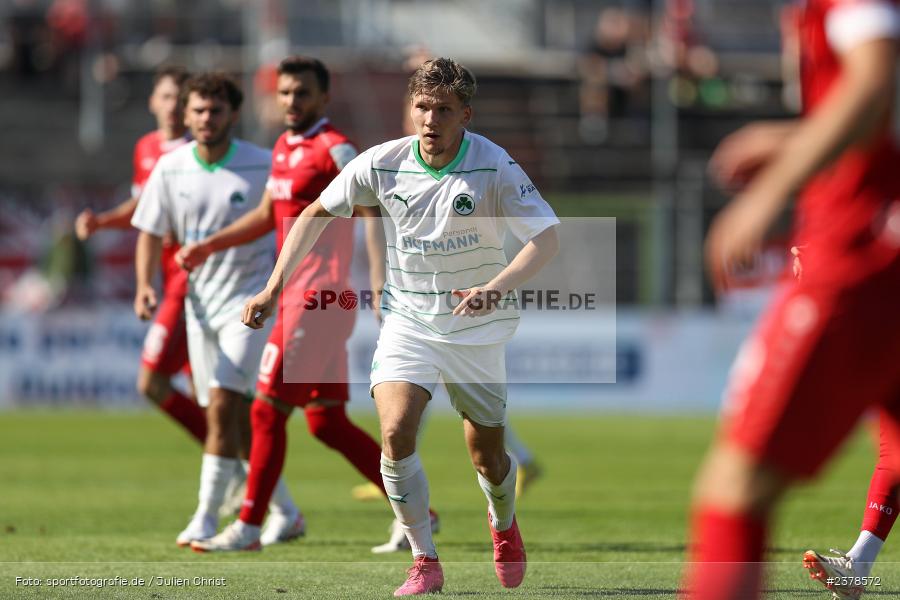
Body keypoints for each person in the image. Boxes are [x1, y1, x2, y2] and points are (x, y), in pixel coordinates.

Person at [242, 57, 559, 596]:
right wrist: (273, 287)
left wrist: (495, 288)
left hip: (474, 326)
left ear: (465, 114)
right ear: (409, 109)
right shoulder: (381, 162)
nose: (430, 119)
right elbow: (315, 212)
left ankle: (503, 524)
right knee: (394, 432)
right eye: (421, 107)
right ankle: (423, 560)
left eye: (442, 110)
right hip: (408, 320)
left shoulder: (493, 164)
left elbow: (545, 239)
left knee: (487, 454)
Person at [681, 1, 900, 598]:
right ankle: (860, 562)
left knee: (736, 485)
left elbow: (874, 81)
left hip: (865, 257)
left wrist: (770, 190)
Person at [176, 55, 438, 552]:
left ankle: (250, 526)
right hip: (304, 297)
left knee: (265, 412)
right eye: (285, 92)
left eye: (302, 93)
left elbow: (374, 209)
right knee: (326, 422)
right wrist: (211, 245)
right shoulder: (284, 146)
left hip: (318, 298)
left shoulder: (334, 148)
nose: (291, 101)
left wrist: (380, 280)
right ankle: (418, 512)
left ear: (322, 97)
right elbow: (268, 214)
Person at [131, 72, 295, 548]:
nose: (206, 119)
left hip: (249, 304)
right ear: (185, 115)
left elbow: (289, 216)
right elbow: (148, 228)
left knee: (223, 405)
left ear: (233, 115)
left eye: (216, 110)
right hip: (199, 309)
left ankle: (206, 517)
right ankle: (285, 510)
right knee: (229, 417)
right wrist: (145, 285)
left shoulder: (262, 164)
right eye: (198, 110)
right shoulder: (171, 167)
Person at [75, 65, 207, 444]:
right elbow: (143, 208)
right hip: (166, 275)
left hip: (193, 275)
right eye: (166, 97)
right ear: (152, 101)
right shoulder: (146, 148)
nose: (172, 107)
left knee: (159, 380)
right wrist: (102, 222)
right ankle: (229, 459)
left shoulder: (198, 151)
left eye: (181, 100)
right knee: (198, 383)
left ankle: (229, 459)